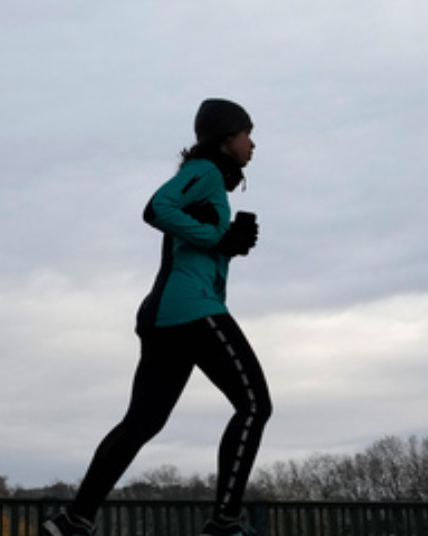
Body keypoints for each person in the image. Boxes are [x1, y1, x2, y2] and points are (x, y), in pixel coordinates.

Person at [41, 99, 271, 536]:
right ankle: (224, 523)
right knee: (255, 404)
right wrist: (221, 237)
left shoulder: (210, 181)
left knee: (142, 422)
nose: (253, 143)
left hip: (166, 315)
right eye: (247, 133)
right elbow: (156, 209)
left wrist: (228, 242)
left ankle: (75, 520)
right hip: (191, 309)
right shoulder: (203, 172)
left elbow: (186, 232)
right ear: (226, 138)